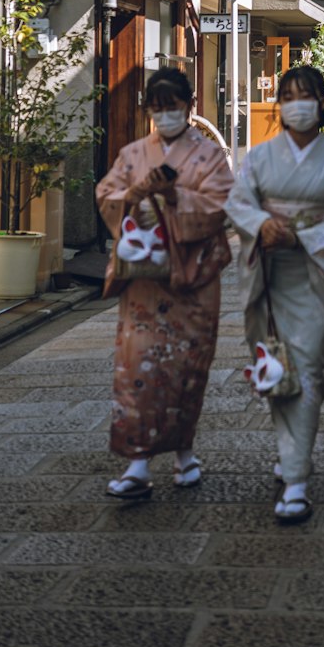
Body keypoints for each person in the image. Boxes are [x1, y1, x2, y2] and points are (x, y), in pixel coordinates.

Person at [225, 65, 324, 524]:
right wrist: (261, 224)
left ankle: (296, 479)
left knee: (305, 370)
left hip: (313, 277)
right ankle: (291, 454)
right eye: (287, 96)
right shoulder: (261, 158)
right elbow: (238, 202)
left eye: (305, 95)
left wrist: (301, 237)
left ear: (323, 102)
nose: (296, 104)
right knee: (276, 367)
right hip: (267, 275)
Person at [97, 67, 233, 501]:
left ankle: (184, 454)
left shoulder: (210, 156)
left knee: (186, 369)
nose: (164, 115)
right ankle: (137, 462)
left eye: (172, 107)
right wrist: (136, 194)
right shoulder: (134, 152)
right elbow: (108, 195)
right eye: (157, 108)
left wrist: (175, 199)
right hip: (144, 283)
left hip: (190, 280)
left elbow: (221, 205)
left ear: (188, 107)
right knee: (136, 368)